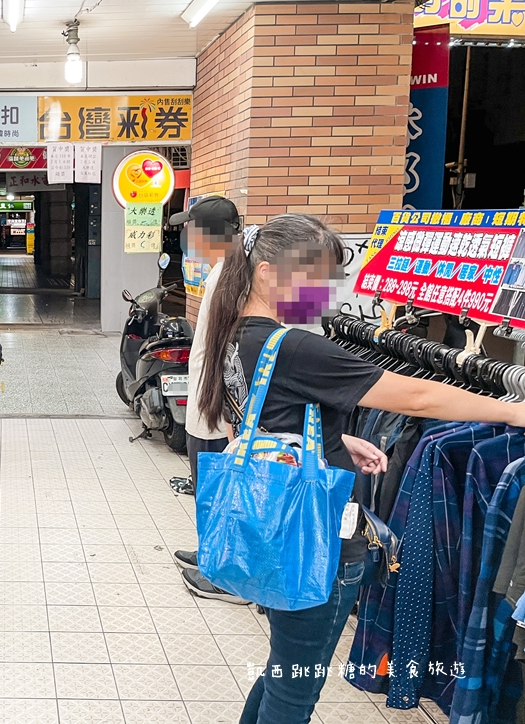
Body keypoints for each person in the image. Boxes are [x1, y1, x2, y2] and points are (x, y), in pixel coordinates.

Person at [197, 213, 525, 724]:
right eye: (317, 277)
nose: (326, 293)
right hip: (318, 542)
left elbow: (268, 416)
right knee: (294, 689)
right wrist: (512, 409)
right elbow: (417, 394)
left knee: (283, 672)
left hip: (275, 532)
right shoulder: (298, 346)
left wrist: (338, 438)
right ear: (266, 272)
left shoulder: (240, 335)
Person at [166, 196, 250, 605]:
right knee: (207, 485)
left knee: (219, 488)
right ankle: (211, 554)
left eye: (190, 229)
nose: (186, 236)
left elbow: (232, 348)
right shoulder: (222, 269)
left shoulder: (234, 274)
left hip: (219, 410)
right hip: (206, 403)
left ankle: (224, 574)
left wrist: (229, 409)